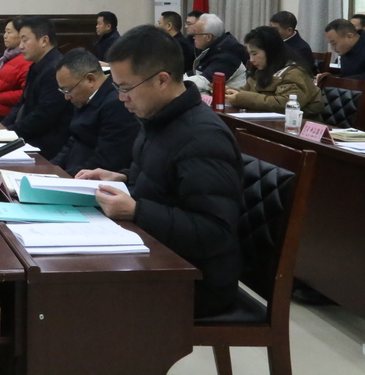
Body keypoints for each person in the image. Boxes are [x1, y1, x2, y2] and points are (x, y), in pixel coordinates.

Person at [76, 24, 243, 318]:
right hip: (159, 255)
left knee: (70, 295)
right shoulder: (159, 117)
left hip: (195, 281)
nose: (121, 98)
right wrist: (123, 177)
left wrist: (136, 211)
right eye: (117, 88)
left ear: (162, 80)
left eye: (126, 88)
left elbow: (215, 232)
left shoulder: (203, 137)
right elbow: (165, 181)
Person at [50, 49, 140, 176]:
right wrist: (51, 169)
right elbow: (73, 141)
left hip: (89, 180)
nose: (66, 97)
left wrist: (65, 178)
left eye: (68, 90)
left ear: (90, 79)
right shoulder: (84, 97)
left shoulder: (116, 105)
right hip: (73, 173)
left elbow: (107, 161)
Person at [2, 16, 72, 158]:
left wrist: (10, 133)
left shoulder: (56, 70)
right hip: (29, 137)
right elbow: (21, 104)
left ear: (44, 40)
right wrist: (3, 129)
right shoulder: (36, 65)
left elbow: (43, 116)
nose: (21, 46)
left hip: (45, 146)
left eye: (25, 40)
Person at [224, 26, 323, 119]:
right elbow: (245, 93)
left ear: (270, 51)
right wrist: (230, 93)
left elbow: (285, 104)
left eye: (255, 54)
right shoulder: (260, 70)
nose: (251, 60)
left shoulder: (294, 72)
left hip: (298, 125)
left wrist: (240, 98)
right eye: (249, 54)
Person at [0, 17, 31, 118]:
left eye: (9, 32)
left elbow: (26, 92)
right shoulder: (8, 56)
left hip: (3, 113)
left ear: (22, 35)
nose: (5, 36)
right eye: (5, 32)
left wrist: (1, 98)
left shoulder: (27, 59)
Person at [187, 13, 248, 92]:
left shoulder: (228, 55)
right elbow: (195, 72)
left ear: (208, 37)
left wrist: (176, 83)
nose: (193, 37)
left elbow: (206, 82)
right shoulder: (210, 48)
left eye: (196, 34)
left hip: (228, 98)